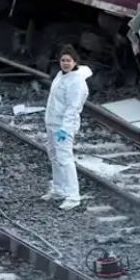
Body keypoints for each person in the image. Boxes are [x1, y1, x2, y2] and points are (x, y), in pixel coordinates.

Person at [42, 45, 92, 211]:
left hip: (63, 127)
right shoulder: (61, 75)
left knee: (65, 159)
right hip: (52, 123)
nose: (65, 63)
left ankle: (73, 195)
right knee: (54, 157)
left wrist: (65, 128)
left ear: (75, 62)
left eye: (68, 60)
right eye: (63, 60)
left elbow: (73, 108)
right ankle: (59, 189)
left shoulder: (76, 82)